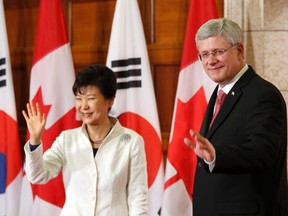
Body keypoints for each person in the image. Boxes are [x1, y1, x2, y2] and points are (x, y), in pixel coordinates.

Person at [184, 18, 288, 216]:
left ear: (239, 50)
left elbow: (262, 152)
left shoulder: (263, 94)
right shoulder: (219, 93)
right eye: (204, 54)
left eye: (218, 52)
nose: (210, 61)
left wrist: (216, 155)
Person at [22, 64, 148, 216]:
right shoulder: (67, 139)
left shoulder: (132, 141)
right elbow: (37, 176)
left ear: (110, 100)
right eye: (79, 99)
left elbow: (138, 197)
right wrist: (35, 141)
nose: (83, 106)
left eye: (90, 98)